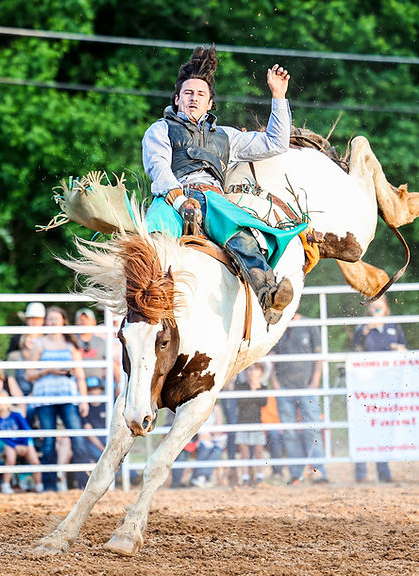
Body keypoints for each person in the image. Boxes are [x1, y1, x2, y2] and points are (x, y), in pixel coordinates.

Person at [142, 46, 300, 325]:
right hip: (171, 197)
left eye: (200, 94)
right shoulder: (160, 129)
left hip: (214, 201)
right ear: (177, 99)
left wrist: (278, 96)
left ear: (210, 103)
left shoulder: (227, 137)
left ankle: (268, 294)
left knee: (243, 239)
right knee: (153, 240)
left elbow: (276, 143)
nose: (194, 98)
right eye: (188, 93)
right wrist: (180, 201)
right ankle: (142, 308)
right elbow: (159, 169)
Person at [27, 306, 88, 492]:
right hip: (45, 398)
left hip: (68, 396)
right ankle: (49, 485)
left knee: (77, 439)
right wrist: (48, 371)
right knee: (48, 441)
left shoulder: (71, 345)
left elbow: (79, 374)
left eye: (56, 318)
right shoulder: (39, 345)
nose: (53, 322)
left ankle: (83, 484)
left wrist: (83, 399)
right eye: (50, 319)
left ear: (63, 321)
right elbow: (29, 374)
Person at [352, 295, 405, 483]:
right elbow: (355, 347)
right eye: (373, 305)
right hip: (367, 384)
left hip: (387, 382)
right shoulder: (363, 327)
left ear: (386, 307)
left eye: (379, 304)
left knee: (383, 427)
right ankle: (361, 472)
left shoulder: (394, 326)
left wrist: (398, 349)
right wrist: (366, 330)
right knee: (364, 425)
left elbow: (404, 348)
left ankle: (383, 472)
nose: (376, 307)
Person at [271, 312, 328, 484]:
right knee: (289, 432)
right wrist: (275, 381)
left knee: (312, 429)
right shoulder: (277, 326)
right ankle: (296, 472)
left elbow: (319, 356)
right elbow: (272, 357)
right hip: (285, 386)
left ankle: (318, 471)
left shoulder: (309, 325)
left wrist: (315, 380)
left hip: (306, 386)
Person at [0, 391, 43, 494]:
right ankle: (5, 485)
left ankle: (38, 485)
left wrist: (24, 444)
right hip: (10, 444)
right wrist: (15, 446)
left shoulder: (16, 415)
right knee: (10, 459)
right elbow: (3, 437)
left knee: (35, 461)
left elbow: (26, 430)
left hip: (24, 441)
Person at [234, 362, 269, 486]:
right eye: (249, 369)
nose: (252, 372)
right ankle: (245, 477)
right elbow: (241, 403)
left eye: (255, 369)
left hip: (257, 422)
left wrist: (255, 388)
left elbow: (263, 402)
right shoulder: (241, 387)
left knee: (259, 451)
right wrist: (253, 390)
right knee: (245, 453)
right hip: (243, 422)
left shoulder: (263, 388)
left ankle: (259, 477)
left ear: (260, 372)